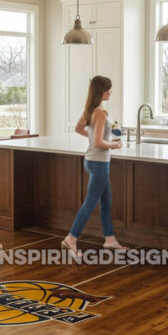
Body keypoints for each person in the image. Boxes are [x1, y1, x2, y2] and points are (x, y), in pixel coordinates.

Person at [62, 75, 123, 259]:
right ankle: (71, 238)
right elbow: (98, 142)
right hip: (99, 163)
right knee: (90, 203)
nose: (110, 92)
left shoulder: (90, 109)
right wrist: (114, 145)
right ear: (101, 91)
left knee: (106, 201)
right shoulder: (101, 113)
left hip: (91, 160)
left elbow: (79, 129)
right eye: (108, 90)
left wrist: (105, 140)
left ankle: (110, 239)